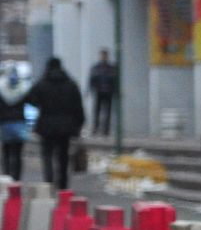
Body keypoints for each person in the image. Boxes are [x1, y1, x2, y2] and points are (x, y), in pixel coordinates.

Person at [24, 57, 85, 191]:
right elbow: (78, 107)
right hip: (66, 127)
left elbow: (29, 99)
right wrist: (78, 125)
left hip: (46, 125)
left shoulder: (42, 84)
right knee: (63, 156)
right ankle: (63, 184)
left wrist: (40, 105)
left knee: (47, 154)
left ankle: (49, 180)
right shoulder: (71, 84)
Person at [0, 62, 32, 183]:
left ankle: (7, 176)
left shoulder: (1, 88)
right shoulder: (22, 88)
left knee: (7, 152)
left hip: (5, 124)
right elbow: (31, 101)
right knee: (18, 153)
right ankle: (17, 178)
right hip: (19, 123)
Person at [87, 48, 119, 137]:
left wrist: (116, 91)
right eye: (102, 55)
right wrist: (91, 89)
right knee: (97, 111)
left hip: (108, 92)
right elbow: (91, 79)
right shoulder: (96, 68)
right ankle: (96, 128)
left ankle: (106, 130)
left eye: (105, 55)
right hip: (99, 92)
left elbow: (115, 81)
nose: (103, 57)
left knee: (107, 111)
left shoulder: (111, 68)